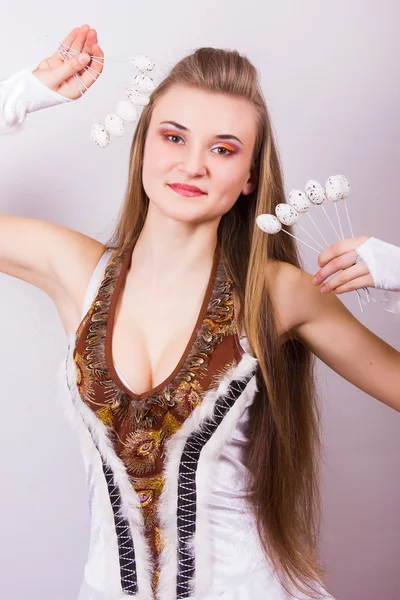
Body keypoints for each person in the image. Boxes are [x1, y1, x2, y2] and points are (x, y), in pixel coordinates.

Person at [1, 24, 399, 600]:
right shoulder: (75, 270)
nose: (192, 165)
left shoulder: (277, 291)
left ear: (249, 179)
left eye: (222, 149)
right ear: (142, 146)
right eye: (173, 137)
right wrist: (23, 94)